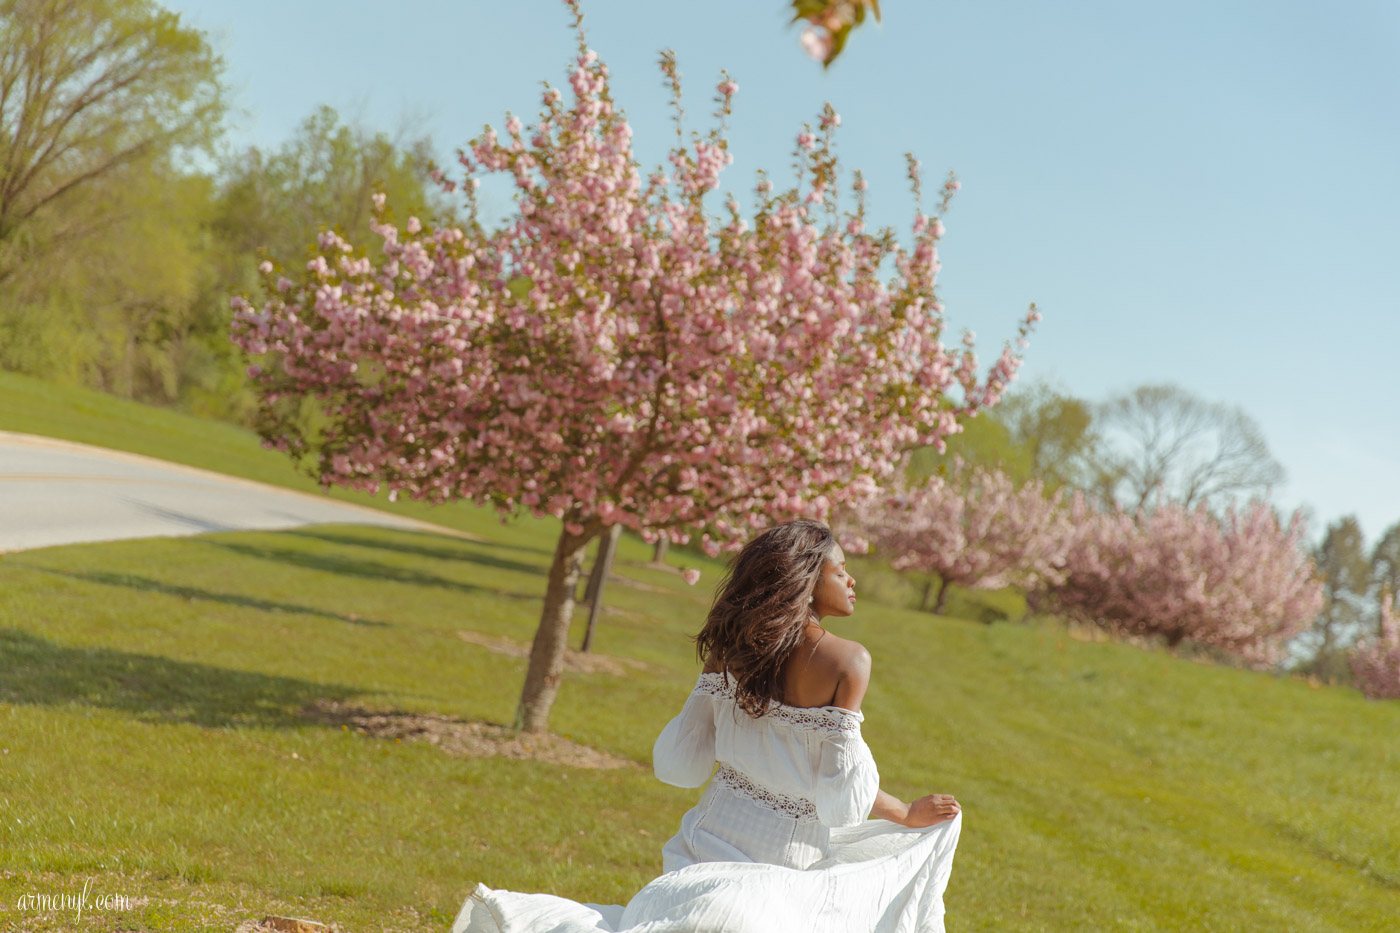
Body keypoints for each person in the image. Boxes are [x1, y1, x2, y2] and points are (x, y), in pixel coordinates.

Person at [452, 519, 963, 933]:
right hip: (780, 866)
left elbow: (681, 763)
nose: (852, 581)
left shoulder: (731, 648)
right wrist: (902, 812)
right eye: (841, 570)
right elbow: (841, 798)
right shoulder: (849, 662)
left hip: (703, 839)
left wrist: (902, 811)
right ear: (806, 579)